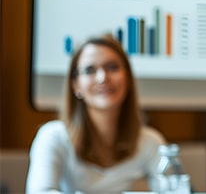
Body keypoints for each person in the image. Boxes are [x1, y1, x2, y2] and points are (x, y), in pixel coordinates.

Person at [26, 34, 166, 194]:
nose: (102, 78)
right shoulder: (52, 137)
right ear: (76, 85)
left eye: (112, 67)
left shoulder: (150, 141)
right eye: (89, 70)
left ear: (127, 78)